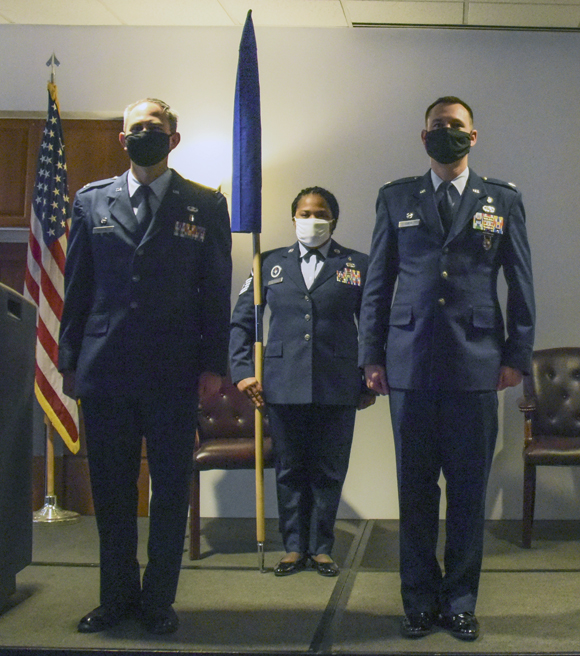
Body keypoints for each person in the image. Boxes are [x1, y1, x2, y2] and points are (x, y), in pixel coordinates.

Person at [358, 96, 536, 641]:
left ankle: (460, 600)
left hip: (475, 366)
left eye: (456, 126)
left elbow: (521, 282)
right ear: (424, 135)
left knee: (466, 492)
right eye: (438, 126)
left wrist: (516, 356)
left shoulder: (502, 198)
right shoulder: (396, 197)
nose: (447, 133)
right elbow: (377, 284)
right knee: (414, 493)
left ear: (473, 136)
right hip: (408, 363)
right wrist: (371, 354)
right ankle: (417, 600)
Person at [58, 98, 232, 634]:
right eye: (135, 128)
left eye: (153, 128)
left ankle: (158, 600)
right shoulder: (92, 202)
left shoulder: (204, 205)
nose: (143, 135)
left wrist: (213, 365)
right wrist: (69, 362)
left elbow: (215, 292)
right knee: (111, 491)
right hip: (106, 369)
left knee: (170, 488)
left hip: (173, 372)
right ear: (121, 139)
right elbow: (78, 288)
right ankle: (116, 599)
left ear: (173, 138)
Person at [229, 186, 374, 578]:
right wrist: (243, 373)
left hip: (338, 383)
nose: (312, 220)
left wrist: (370, 378)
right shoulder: (268, 264)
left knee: (329, 470)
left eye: (321, 213)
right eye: (305, 213)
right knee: (290, 469)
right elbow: (243, 321)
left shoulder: (357, 264)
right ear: (293, 218)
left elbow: (373, 326)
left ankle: (322, 547)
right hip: (281, 383)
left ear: (334, 219)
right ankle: (293, 547)